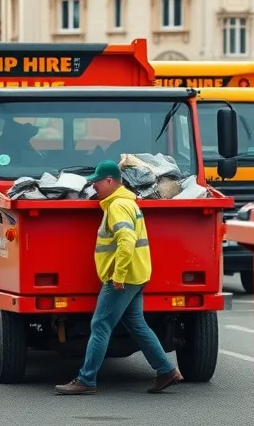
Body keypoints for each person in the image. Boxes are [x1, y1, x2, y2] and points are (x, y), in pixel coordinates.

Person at [55, 160, 182, 395]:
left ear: (110, 181)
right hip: (138, 273)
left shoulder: (117, 206)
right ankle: (166, 370)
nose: (94, 187)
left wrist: (118, 275)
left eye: (97, 182)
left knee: (100, 324)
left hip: (123, 277)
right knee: (136, 323)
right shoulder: (125, 202)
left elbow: (126, 240)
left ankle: (86, 380)